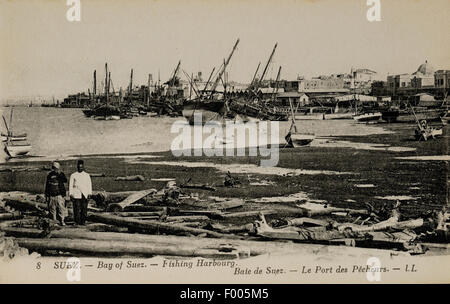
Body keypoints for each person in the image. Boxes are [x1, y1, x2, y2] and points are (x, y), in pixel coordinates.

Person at [69, 160, 92, 225]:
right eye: (79, 167)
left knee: (84, 208)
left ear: (83, 167)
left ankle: (83, 221)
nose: (80, 168)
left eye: (81, 167)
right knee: (76, 208)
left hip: (84, 194)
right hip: (76, 194)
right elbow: (70, 185)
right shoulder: (73, 175)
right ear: (77, 167)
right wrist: (71, 194)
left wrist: (89, 193)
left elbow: (89, 184)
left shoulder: (87, 175)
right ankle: (77, 222)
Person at [44, 162, 68, 226]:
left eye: (56, 168)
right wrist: (47, 195)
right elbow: (47, 186)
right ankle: (54, 222)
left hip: (59, 195)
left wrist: (60, 174)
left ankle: (62, 221)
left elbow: (65, 180)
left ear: (58, 168)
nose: (54, 169)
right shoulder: (49, 175)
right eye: (53, 168)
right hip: (52, 195)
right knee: (52, 210)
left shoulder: (61, 174)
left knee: (61, 209)